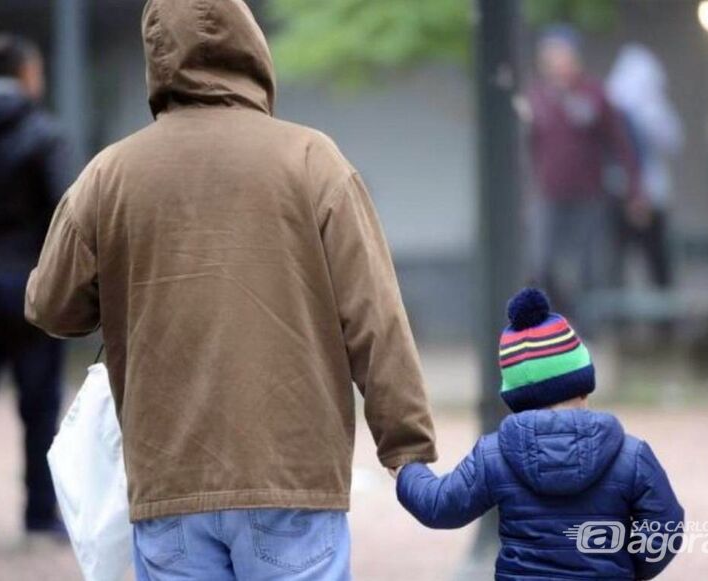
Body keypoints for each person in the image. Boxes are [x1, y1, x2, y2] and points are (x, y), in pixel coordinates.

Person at [25, 0, 437, 579]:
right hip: (293, 476)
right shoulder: (313, 159)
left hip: (169, 479)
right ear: (252, 50)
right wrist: (406, 445)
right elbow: (375, 316)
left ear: (158, 57)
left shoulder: (110, 173)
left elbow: (51, 306)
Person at [396, 288, 684, 580]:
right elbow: (666, 527)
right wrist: (627, 568)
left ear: (517, 402)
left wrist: (406, 469)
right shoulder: (631, 455)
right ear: (584, 387)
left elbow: (439, 506)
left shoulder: (494, 456)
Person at [0, 33, 71, 537]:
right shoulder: (44, 133)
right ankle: (38, 515)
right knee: (39, 408)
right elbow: (63, 216)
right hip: (31, 293)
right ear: (27, 73)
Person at [526, 25, 644, 324]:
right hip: (548, 193)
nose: (555, 61)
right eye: (549, 55)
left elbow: (620, 143)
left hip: (588, 193)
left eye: (560, 54)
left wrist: (635, 190)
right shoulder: (537, 97)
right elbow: (527, 148)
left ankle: (586, 327)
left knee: (587, 265)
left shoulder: (594, 94)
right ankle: (549, 324)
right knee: (542, 261)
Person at [607, 44, 684, 290]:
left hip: (651, 195)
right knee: (616, 259)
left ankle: (663, 319)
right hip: (621, 192)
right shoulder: (614, 110)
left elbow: (672, 141)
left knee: (656, 257)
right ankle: (619, 317)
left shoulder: (654, 111)